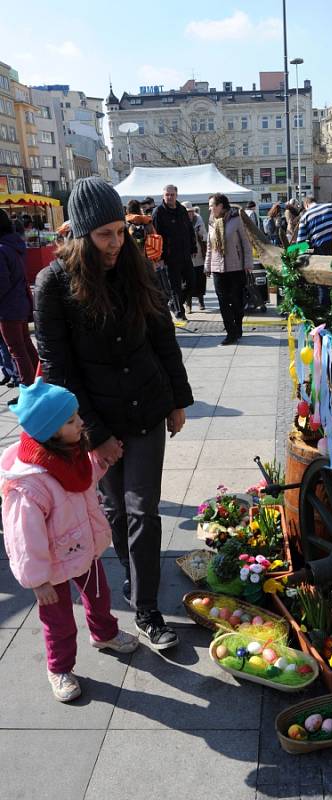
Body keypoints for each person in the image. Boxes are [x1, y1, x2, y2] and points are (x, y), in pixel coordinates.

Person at [34, 177, 194, 651]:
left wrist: (177, 398)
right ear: (82, 235)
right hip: (93, 416)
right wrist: (96, 434)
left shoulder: (134, 266)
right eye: (105, 235)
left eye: (120, 231)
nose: (117, 243)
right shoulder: (54, 284)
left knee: (143, 507)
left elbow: (162, 333)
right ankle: (130, 575)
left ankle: (146, 609)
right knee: (112, 512)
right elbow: (60, 371)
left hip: (147, 402)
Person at [1, 378, 139, 702]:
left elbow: (83, 478)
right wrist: (38, 580)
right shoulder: (30, 484)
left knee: (100, 597)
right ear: (50, 432)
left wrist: (101, 461)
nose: (80, 423)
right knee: (58, 620)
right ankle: (59, 668)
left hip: (82, 550)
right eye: (71, 420)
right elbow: (23, 537)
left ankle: (104, 634)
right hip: (50, 568)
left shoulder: (70, 452)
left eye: (77, 415)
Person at [205, 193, 253, 346]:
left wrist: (248, 263)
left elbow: (246, 244)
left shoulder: (236, 220)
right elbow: (209, 247)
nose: (210, 208)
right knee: (223, 302)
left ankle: (237, 328)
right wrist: (207, 266)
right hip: (217, 268)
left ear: (221, 206)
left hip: (236, 268)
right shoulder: (211, 222)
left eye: (212, 205)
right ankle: (230, 333)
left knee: (237, 302)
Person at [0, 209, 39, 386]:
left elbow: (2, 283)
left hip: (8, 307)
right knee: (25, 346)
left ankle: (29, 389)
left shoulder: (1, 249)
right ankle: (41, 380)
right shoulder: (13, 245)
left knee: (17, 350)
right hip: (19, 303)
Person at [152, 185, 196, 321]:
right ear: (163, 196)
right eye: (167, 195)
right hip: (170, 257)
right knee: (175, 286)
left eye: (172, 194)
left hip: (185, 254)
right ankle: (179, 312)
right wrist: (159, 256)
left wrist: (193, 247)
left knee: (192, 283)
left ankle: (174, 303)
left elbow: (189, 230)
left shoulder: (182, 210)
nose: (170, 197)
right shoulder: (158, 212)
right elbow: (156, 235)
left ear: (177, 195)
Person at [296, 196, 332, 306]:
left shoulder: (305, 217)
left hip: (321, 249)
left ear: (306, 205)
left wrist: (309, 245)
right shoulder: (331, 206)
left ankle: (326, 310)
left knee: (323, 281)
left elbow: (301, 244)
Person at [182, 201, 207, 313]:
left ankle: (201, 300)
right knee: (187, 281)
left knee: (200, 279)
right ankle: (188, 304)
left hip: (199, 255)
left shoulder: (198, 220)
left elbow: (204, 236)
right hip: (185, 256)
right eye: (186, 212)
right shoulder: (180, 221)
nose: (189, 214)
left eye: (190, 212)